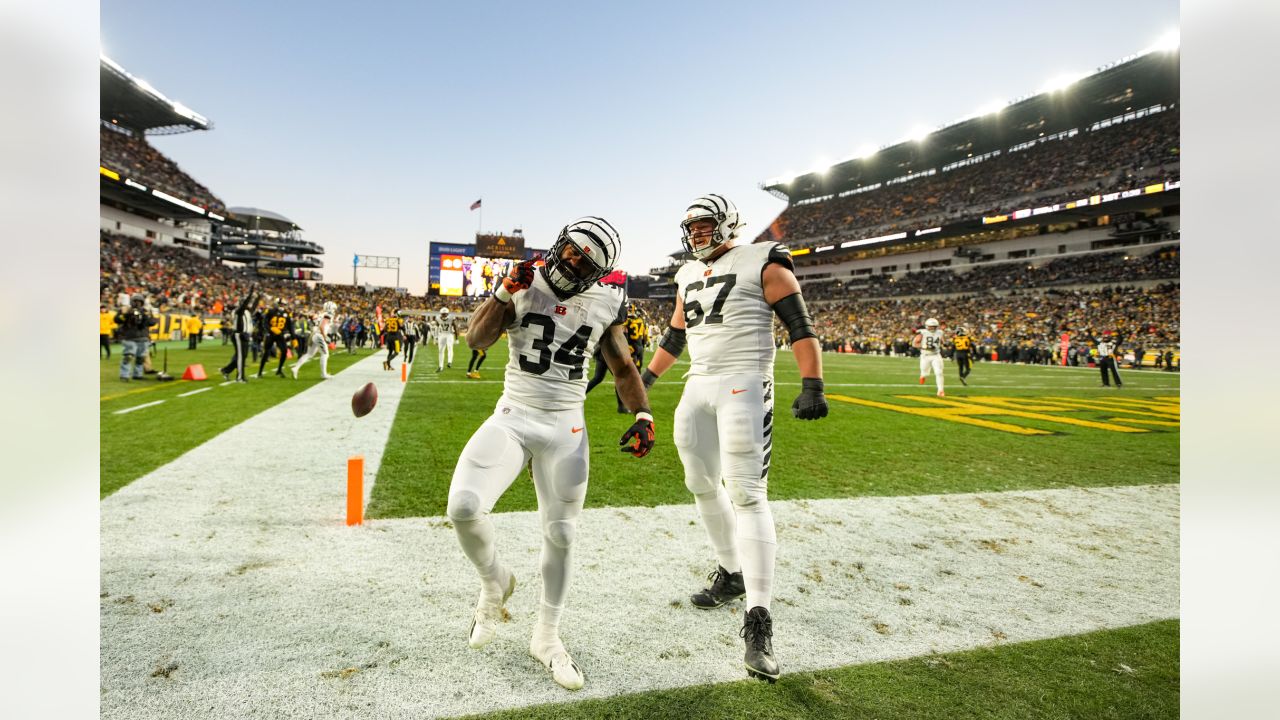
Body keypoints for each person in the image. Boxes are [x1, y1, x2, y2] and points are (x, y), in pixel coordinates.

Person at [446, 216, 654, 691]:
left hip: (567, 424)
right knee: (463, 507)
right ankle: (495, 579)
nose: (572, 261)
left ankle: (547, 636)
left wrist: (642, 413)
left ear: (597, 275)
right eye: (571, 250)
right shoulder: (525, 279)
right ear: (560, 244)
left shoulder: (608, 299)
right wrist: (502, 293)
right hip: (514, 414)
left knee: (560, 533)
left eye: (584, 261)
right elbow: (476, 340)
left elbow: (622, 364)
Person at [640, 194, 828, 684]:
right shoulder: (686, 274)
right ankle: (732, 573)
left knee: (746, 493)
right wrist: (645, 382)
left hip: (746, 381)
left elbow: (799, 326)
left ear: (727, 225)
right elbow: (676, 337)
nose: (697, 235)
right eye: (693, 228)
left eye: (705, 226)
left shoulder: (764, 260)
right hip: (698, 384)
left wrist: (812, 384)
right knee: (700, 483)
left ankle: (759, 620)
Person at [114, 293, 157, 381]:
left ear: (142, 302)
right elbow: (116, 320)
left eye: (139, 301)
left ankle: (137, 374)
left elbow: (152, 322)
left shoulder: (146, 311)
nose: (137, 303)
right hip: (129, 337)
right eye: (135, 301)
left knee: (140, 358)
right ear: (131, 302)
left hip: (143, 337)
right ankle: (124, 375)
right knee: (128, 356)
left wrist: (146, 316)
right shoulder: (125, 310)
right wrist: (125, 315)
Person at [220, 285, 259, 383]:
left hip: (245, 335)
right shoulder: (238, 311)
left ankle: (225, 370)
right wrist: (250, 295)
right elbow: (246, 304)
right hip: (238, 335)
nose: (248, 305)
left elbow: (254, 306)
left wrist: (258, 297)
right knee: (241, 356)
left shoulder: (247, 311)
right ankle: (240, 377)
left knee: (242, 356)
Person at [292, 301, 337, 380]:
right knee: (325, 354)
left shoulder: (322, 314)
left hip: (314, 334)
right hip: (319, 335)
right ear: (331, 308)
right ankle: (324, 374)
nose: (334, 310)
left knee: (309, 354)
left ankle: (296, 368)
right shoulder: (328, 314)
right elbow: (322, 326)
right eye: (333, 308)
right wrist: (324, 336)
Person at [257, 298, 294, 378]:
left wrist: (293, 337)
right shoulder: (270, 311)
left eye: (283, 304)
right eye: (281, 304)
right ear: (277, 303)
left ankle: (279, 370)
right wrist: (270, 329)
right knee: (266, 352)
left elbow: (290, 326)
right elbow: (264, 322)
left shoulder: (287, 313)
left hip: (280, 335)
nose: (282, 306)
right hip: (271, 334)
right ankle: (260, 372)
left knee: (284, 351)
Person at [913, 318, 946, 397]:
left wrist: (944, 344)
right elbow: (914, 344)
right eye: (930, 326)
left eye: (934, 326)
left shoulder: (940, 332)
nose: (932, 328)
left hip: (936, 355)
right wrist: (924, 347)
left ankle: (940, 390)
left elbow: (942, 341)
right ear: (927, 326)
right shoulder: (922, 333)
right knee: (925, 373)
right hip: (925, 355)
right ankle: (922, 376)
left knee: (939, 372)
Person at [434, 308, 459, 372]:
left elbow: (456, 327)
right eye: (443, 314)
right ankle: (440, 366)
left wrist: (457, 338)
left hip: (449, 334)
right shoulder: (437, 318)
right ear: (441, 314)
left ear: (448, 314)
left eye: (445, 314)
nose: (444, 315)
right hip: (441, 334)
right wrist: (436, 338)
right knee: (440, 350)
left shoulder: (452, 318)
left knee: (450, 347)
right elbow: (436, 328)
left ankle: (449, 362)